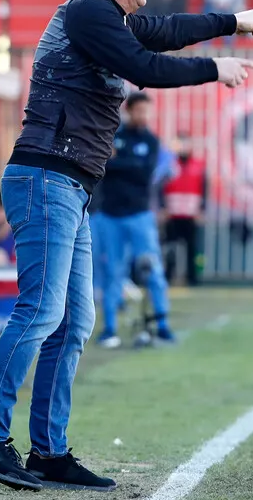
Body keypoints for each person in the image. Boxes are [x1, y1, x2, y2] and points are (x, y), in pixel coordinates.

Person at [0, 0, 253, 493]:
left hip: (69, 185)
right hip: (46, 177)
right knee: (42, 312)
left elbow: (165, 31)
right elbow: (145, 66)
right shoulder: (87, 13)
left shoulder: (107, 18)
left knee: (74, 322)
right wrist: (214, 67)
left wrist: (229, 20)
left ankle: (49, 453)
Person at [96, 92, 172, 348]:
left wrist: (120, 162)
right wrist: (126, 164)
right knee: (113, 271)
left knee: (152, 268)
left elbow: (144, 172)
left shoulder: (151, 141)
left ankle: (162, 325)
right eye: (139, 111)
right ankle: (109, 329)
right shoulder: (113, 135)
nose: (144, 116)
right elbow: (103, 165)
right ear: (129, 111)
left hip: (140, 215)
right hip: (111, 216)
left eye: (147, 111)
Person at [161, 134, 207, 286]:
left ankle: (193, 277)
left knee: (193, 248)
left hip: (191, 214)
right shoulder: (169, 165)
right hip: (172, 213)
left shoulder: (198, 165)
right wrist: (163, 208)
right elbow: (161, 186)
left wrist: (202, 209)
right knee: (170, 246)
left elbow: (204, 188)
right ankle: (168, 275)